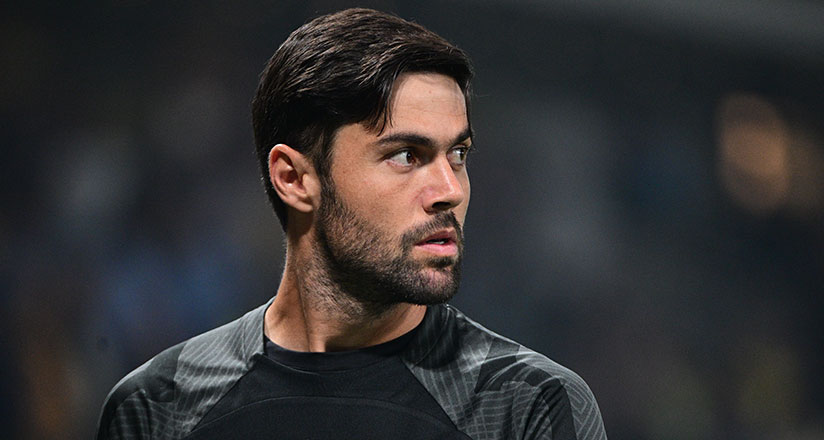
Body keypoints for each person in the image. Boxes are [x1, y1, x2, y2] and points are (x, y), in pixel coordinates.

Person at [97, 8, 607, 439]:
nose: (450, 190)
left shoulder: (527, 407)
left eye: (458, 154)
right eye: (406, 155)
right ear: (294, 178)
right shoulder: (159, 406)